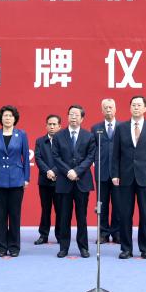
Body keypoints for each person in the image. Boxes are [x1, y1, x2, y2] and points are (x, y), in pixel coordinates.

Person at [111, 95, 146, 259]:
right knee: (125, 214)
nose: (136, 107)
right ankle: (126, 248)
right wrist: (115, 174)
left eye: (139, 105)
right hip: (125, 177)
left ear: (145, 108)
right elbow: (115, 154)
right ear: (130, 108)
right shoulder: (121, 128)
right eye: (133, 105)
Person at [0, 105, 29, 257]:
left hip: (17, 180)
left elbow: (25, 158)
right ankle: (1, 247)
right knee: (0, 215)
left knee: (15, 215)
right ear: (1, 118)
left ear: (15, 118)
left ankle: (14, 247)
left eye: (10, 116)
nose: (8, 118)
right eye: (5, 116)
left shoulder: (21, 134)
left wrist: (26, 178)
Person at [52, 104, 95, 258]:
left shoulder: (89, 136)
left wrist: (77, 171)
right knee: (64, 216)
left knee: (82, 217)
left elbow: (90, 157)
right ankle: (64, 247)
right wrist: (68, 171)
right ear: (67, 117)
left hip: (82, 181)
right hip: (64, 182)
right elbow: (56, 157)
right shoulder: (59, 136)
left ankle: (83, 247)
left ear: (82, 118)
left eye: (76, 115)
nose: (73, 117)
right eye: (71, 114)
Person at [90, 98, 118, 244]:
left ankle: (117, 233)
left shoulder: (122, 127)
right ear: (101, 110)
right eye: (105, 107)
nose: (108, 110)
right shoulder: (95, 128)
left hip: (118, 173)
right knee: (102, 204)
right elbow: (92, 150)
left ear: (115, 109)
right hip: (101, 172)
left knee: (118, 204)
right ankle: (103, 233)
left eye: (110, 107)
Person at [33, 114, 61, 245]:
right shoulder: (40, 141)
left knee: (60, 210)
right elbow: (38, 158)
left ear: (60, 126)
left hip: (60, 181)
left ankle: (60, 235)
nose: (52, 126)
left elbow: (64, 159)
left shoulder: (64, 141)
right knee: (45, 209)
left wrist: (54, 171)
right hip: (44, 181)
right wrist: (48, 171)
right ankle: (43, 235)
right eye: (50, 124)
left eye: (54, 124)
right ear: (46, 126)